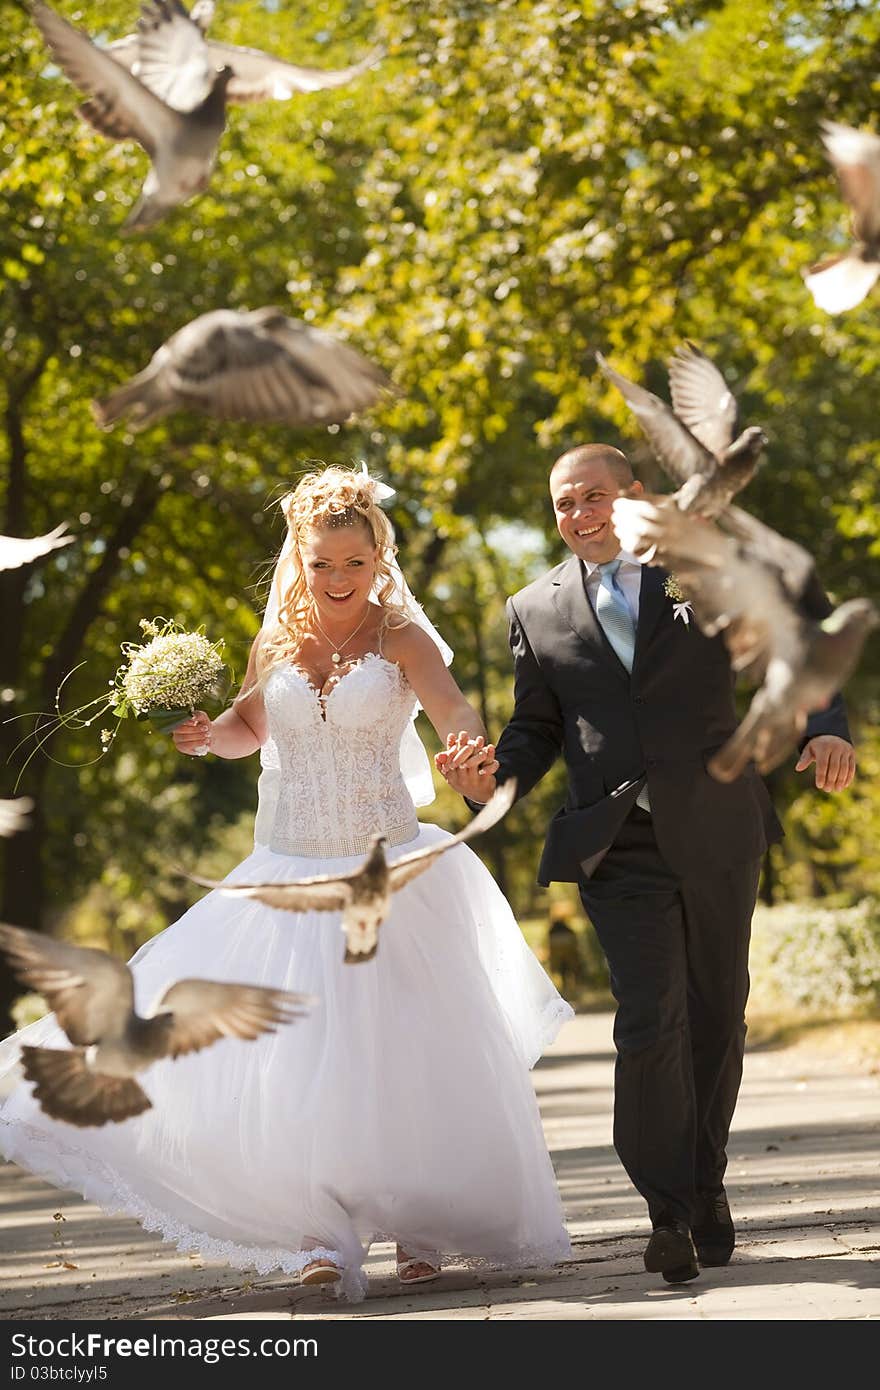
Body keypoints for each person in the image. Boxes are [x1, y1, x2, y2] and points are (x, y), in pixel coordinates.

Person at [0, 466, 572, 1302]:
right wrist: (204, 735)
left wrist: (466, 750)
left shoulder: (402, 637)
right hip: (291, 869)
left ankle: (423, 1225)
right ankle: (321, 1233)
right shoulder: (273, 642)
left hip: (389, 871)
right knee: (299, 1063)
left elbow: (453, 711)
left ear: (380, 559)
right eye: (322, 565)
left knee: (408, 1054)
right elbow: (245, 729)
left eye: (355, 564)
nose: (339, 582)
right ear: (298, 561)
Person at [437, 442, 855, 1286]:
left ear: (633, 495)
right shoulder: (534, 606)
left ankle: (706, 1184)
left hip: (719, 823)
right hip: (612, 841)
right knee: (647, 1016)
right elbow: (537, 729)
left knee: (717, 1013)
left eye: (592, 496)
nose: (578, 515)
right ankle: (665, 1212)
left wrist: (827, 725)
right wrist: (491, 778)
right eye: (562, 504)